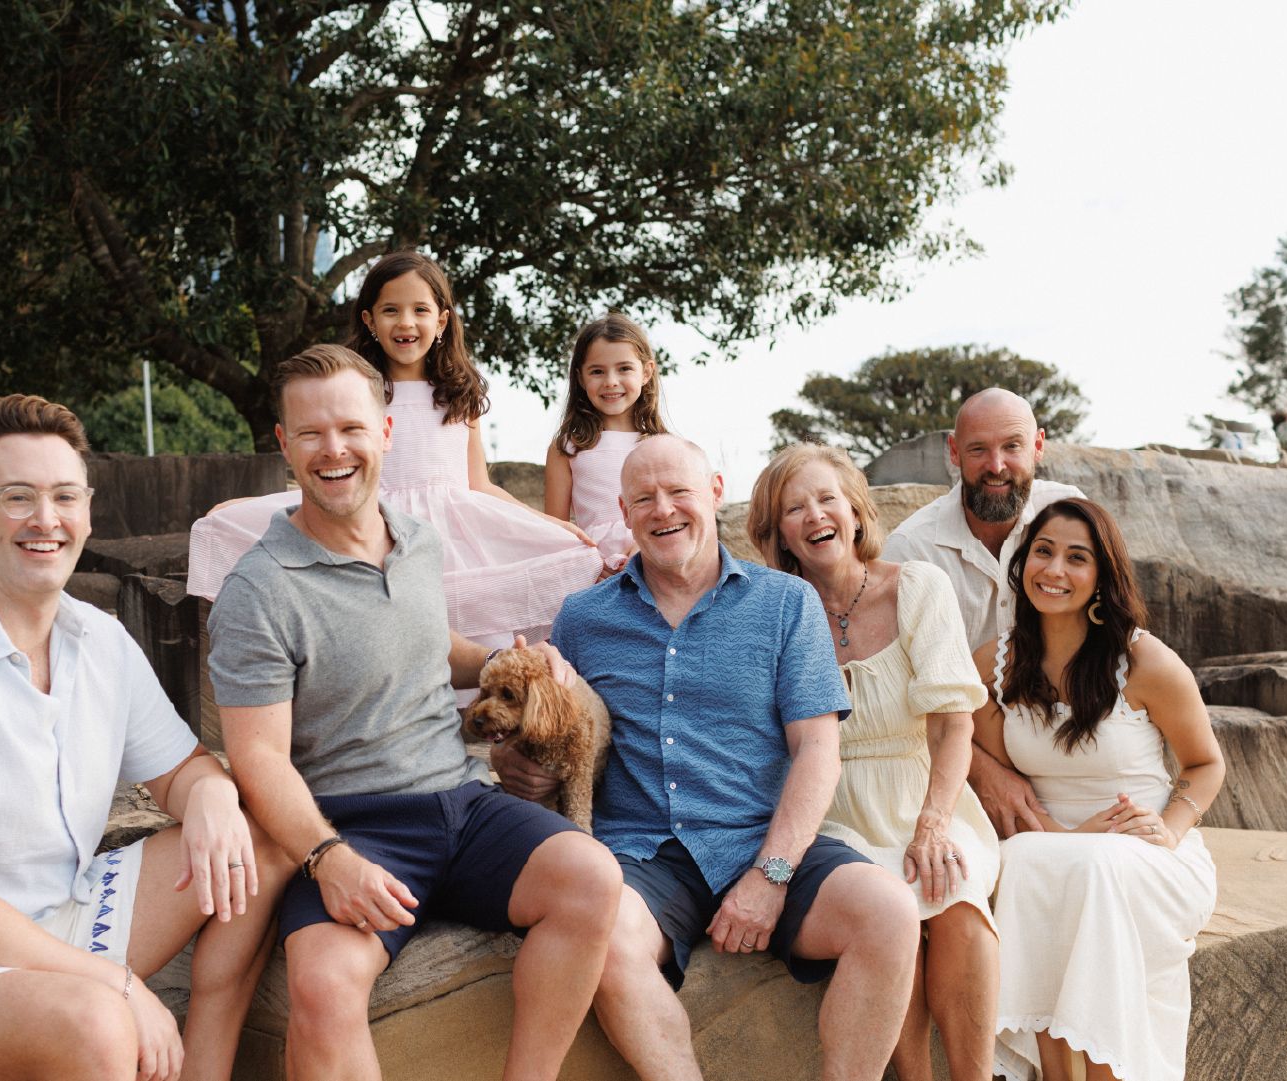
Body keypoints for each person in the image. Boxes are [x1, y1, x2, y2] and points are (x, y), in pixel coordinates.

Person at [0, 394, 287, 1081]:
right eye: (18, 497)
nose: (46, 519)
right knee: (98, 1022)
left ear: (87, 511)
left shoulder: (99, 640)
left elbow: (182, 769)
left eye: (65, 496)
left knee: (261, 837)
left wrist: (211, 794)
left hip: (55, 920)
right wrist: (117, 983)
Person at [209, 344, 622, 1081]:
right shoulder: (258, 590)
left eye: (351, 428)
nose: (333, 449)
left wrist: (502, 664)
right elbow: (257, 756)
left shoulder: (419, 542)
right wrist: (328, 859)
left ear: (387, 432)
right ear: (284, 444)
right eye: (310, 433)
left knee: (591, 876)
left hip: (461, 804)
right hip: (351, 825)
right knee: (322, 985)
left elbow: (432, 643)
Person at [501, 434, 921, 1081]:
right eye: (645, 498)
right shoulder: (583, 617)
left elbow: (817, 749)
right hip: (640, 854)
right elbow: (555, 737)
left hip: (761, 836)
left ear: (715, 493)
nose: (664, 509)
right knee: (602, 937)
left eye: (679, 492)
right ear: (624, 511)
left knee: (889, 912)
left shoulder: (786, 603)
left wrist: (771, 875)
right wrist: (518, 764)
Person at [744, 442, 1001, 1081]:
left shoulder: (918, 586)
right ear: (779, 534)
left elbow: (954, 724)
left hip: (924, 794)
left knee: (958, 899)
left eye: (826, 499)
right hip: (830, 812)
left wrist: (933, 823)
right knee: (891, 915)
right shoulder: (773, 612)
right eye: (794, 509)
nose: (814, 516)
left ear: (856, 510)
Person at [187, 250, 600, 645]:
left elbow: (479, 485)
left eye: (420, 310)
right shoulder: (357, 392)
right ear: (369, 319)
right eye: (391, 310)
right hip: (374, 529)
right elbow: (340, 472)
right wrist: (256, 506)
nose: (406, 322)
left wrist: (549, 524)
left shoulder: (460, 396)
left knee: (472, 647)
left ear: (441, 320)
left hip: (451, 541)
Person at [971, 498, 1223, 1081]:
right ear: (1023, 564)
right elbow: (968, 751)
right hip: (1051, 843)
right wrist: (1063, 833)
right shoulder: (995, 665)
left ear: (1102, 576)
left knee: (1093, 867)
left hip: (1144, 850)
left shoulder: (1144, 661)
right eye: (1043, 551)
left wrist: (1171, 829)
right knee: (1025, 861)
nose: (1054, 570)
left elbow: (1206, 763)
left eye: (1077, 558)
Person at [883, 388, 1085, 838]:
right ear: (954, 452)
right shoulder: (911, 550)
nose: (996, 466)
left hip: (1068, 744)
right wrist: (983, 774)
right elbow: (900, 700)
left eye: (1012, 446)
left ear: (1038, 445)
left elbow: (1110, 634)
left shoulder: (1071, 514)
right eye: (978, 450)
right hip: (955, 761)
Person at [543, 311, 671, 571]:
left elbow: (669, 514)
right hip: (595, 571)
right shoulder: (567, 448)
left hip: (655, 562)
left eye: (624, 368)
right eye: (597, 371)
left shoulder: (664, 446)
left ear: (646, 372)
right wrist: (589, 567)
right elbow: (555, 531)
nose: (611, 382)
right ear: (581, 378)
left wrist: (643, 553)